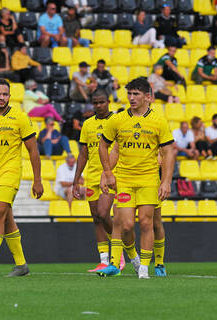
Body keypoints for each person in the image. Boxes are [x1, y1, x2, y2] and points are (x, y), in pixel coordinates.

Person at [97, 77, 174, 279]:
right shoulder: (118, 119)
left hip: (148, 178)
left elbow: (168, 152)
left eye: (136, 94)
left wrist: (166, 181)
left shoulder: (158, 121)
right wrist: (107, 173)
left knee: (148, 223)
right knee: (126, 225)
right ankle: (130, 258)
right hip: (124, 179)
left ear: (148, 97)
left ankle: (146, 268)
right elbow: (105, 146)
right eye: (129, 94)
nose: (131, 98)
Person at [0, 78, 43, 281]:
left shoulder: (20, 117)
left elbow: (33, 150)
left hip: (11, 172)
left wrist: (38, 180)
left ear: (10, 95)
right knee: (7, 220)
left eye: (5, 94)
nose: (1, 97)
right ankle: (21, 265)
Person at [72, 89, 125, 272]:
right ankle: (104, 260)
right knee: (96, 218)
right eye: (95, 103)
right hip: (92, 175)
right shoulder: (87, 124)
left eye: (101, 102)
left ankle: (118, 254)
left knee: (103, 213)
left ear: (108, 101)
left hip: (111, 174)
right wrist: (76, 179)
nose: (98, 106)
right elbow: (83, 153)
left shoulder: (117, 121)